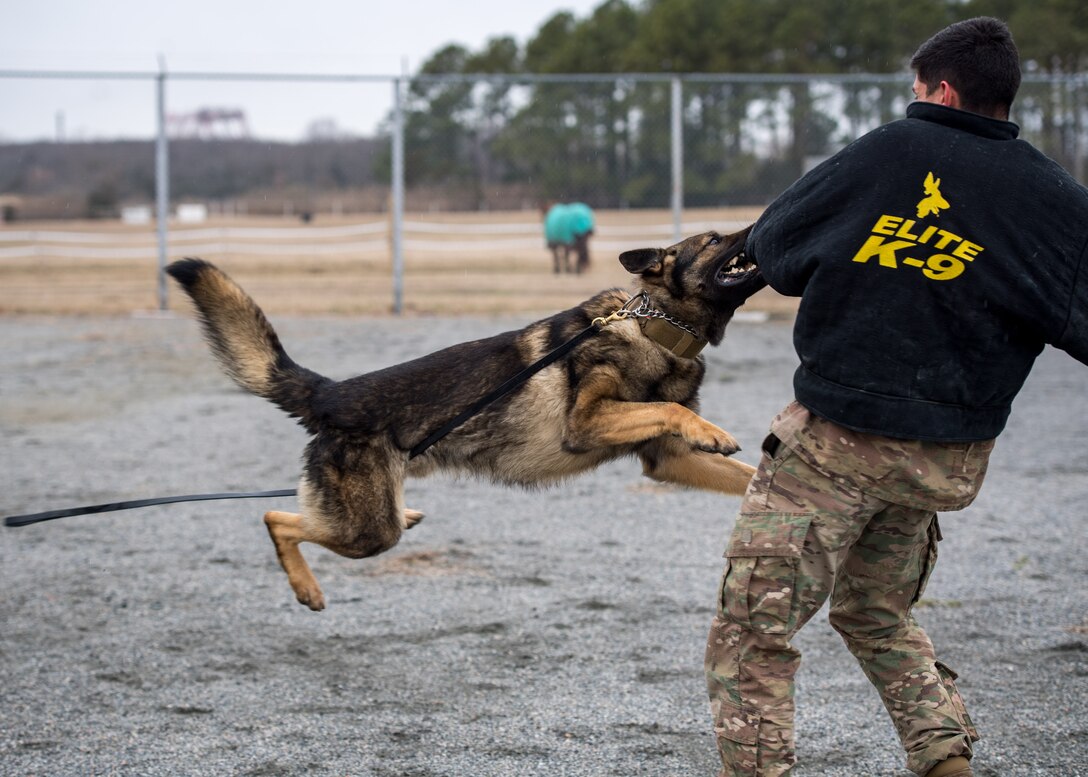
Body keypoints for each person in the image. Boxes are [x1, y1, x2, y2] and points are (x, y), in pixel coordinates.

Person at [704, 17, 1088, 777]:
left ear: (940, 90)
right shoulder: (1055, 198)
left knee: (754, 623)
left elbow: (776, 243)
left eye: (917, 88)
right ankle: (946, 757)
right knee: (874, 608)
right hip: (944, 458)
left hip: (839, 437)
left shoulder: (890, 150)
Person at [543, 201, 595, 273]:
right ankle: (576, 266)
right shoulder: (581, 213)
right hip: (576, 229)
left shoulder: (554, 215)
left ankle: (568, 266)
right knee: (581, 249)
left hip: (569, 231)